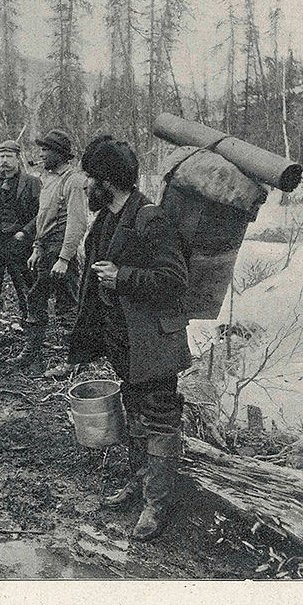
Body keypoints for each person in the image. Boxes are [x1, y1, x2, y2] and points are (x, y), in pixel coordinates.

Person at [68, 135, 191, 541]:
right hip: (124, 341)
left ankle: (158, 503)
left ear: (107, 180)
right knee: (135, 414)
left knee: (158, 418)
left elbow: (174, 280)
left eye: (89, 177)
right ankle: (139, 484)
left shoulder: (151, 219)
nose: (85, 185)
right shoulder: (106, 219)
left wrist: (122, 277)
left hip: (153, 342)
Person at [12, 128, 88, 372]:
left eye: (46, 150)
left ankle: (74, 361)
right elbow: (43, 218)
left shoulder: (73, 181)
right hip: (46, 250)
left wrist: (65, 258)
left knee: (67, 306)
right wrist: (36, 248)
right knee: (36, 298)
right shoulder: (49, 179)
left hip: (61, 252)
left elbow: (77, 223)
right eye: (42, 149)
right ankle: (32, 354)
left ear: (60, 154)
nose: (41, 154)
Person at [0, 138, 41, 345]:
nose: (4, 160)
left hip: (19, 244)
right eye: (1, 156)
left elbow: (40, 215)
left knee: (25, 288)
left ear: (17, 158)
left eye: (9, 156)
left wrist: (25, 232)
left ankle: (30, 332)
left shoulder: (31, 183)